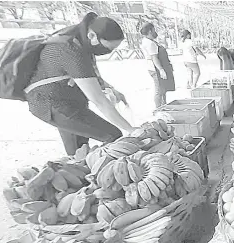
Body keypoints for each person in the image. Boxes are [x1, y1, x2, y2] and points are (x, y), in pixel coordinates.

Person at [25, 12, 135, 156]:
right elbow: (100, 101)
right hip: (51, 104)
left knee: (79, 149)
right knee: (113, 135)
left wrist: (110, 88)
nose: (108, 52)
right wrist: (131, 130)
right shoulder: (70, 50)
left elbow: (88, 76)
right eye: (108, 48)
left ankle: (78, 171)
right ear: (92, 36)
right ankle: (105, 172)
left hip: (69, 101)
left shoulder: (79, 40)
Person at [140, 22, 175, 107]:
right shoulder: (150, 43)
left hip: (154, 67)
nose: (155, 32)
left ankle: (164, 106)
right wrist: (161, 70)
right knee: (159, 90)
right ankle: (158, 109)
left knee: (163, 89)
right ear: (150, 31)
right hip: (155, 69)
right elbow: (154, 58)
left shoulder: (148, 41)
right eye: (154, 29)